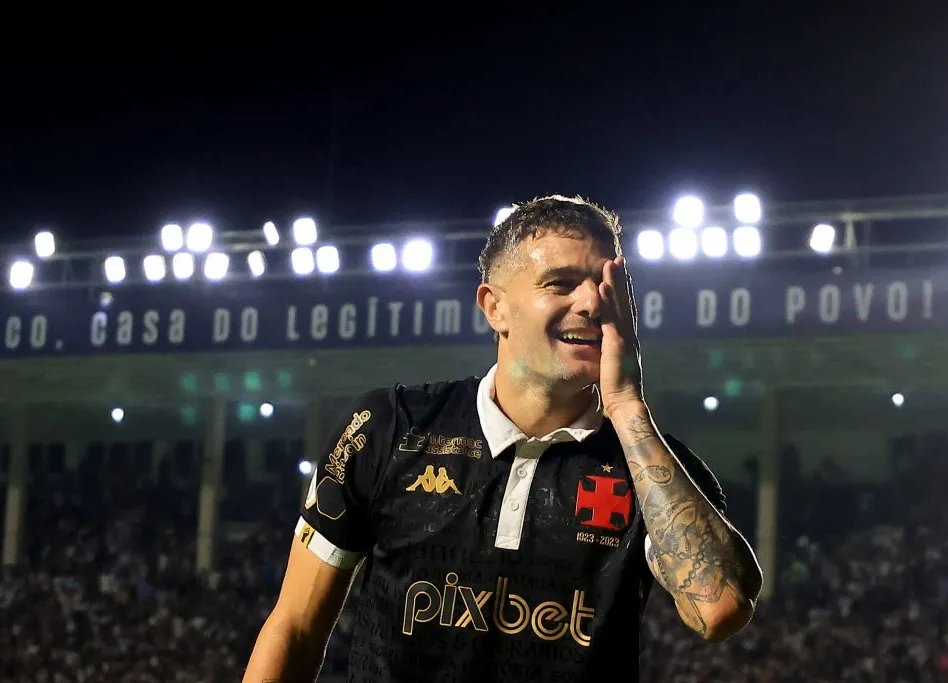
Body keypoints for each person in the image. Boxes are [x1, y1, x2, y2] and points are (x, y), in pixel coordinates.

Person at [243, 195, 763, 683]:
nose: (590, 303)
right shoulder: (392, 428)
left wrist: (627, 408)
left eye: (606, 286)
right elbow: (296, 627)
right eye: (560, 283)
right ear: (495, 307)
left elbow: (718, 609)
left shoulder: (653, 466)